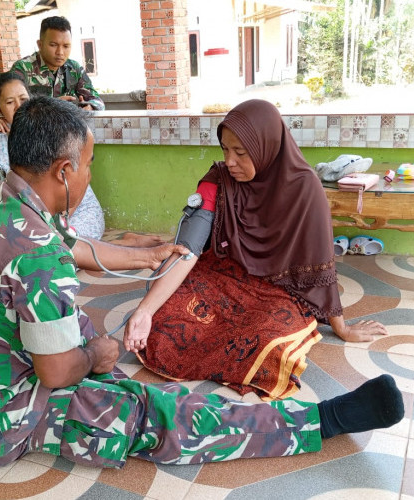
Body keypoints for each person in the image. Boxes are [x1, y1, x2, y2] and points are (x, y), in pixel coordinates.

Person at [0, 96, 404, 468]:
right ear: (64, 171)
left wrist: (144, 256)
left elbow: (74, 247)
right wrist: (94, 358)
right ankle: (325, 421)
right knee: (146, 411)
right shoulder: (33, 249)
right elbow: (56, 372)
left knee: (84, 327)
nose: (89, 174)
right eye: (89, 165)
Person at [123, 99, 389, 400]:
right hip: (223, 279)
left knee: (268, 343)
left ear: (267, 146)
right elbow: (187, 249)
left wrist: (341, 327)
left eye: (240, 152)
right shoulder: (218, 181)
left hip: (277, 291)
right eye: (225, 150)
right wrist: (144, 312)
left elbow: (321, 265)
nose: (230, 161)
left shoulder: (305, 189)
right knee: (161, 318)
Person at [0, 71, 143, 242]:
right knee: (33, 251)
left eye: (23, 99)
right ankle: (120, 243)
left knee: (54, 251)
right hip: (41, 218)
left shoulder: (50, 131)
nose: (19, 106)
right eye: (10, 102)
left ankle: (123, 243)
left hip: (76, 210)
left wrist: (58, 224)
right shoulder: (0, 144)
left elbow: (76, 184)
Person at [11, 16, 105, 111]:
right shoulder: (22, 68)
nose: (60, 52)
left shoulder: (74, 69)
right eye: (53, 45)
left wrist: (90, 107)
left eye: (66, 46)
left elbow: (97, 101)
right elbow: (13, 108)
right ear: (40, 45)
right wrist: (51, 106)